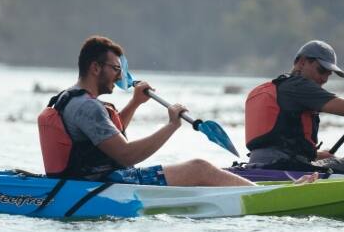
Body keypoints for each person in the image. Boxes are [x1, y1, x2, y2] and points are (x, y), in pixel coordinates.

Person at [39, 36, 314, 187]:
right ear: (95, 68)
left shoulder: (71, 99)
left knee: (203, 171)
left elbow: (105, 136)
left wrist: (135, 103)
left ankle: (257, 190)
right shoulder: (88, 107)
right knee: (199, 168)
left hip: (88, 177)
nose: (118, 76)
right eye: (115, 69)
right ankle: (268, 196)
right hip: (104, 182)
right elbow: (125, 154)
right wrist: (171, 125)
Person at [244, 40, 344, 175]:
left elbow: (279, 141)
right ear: (301, 62)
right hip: (288, 168)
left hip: (260, 166)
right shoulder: (299, 86)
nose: (324, 79)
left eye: (328, 74)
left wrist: (315, 154)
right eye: (321, 70)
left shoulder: (274, 88)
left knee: (332, 160)